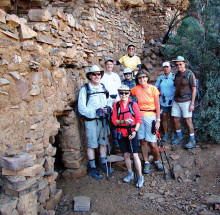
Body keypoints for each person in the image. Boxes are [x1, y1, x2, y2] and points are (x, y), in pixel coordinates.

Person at [78, 65, 113, 179]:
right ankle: (93, 168)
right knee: (92, 144)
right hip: (92, 121)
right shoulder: (85, 89)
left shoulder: (103, 87)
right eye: (94, 74)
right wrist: (94, 112)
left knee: (103, 143)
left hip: (103, 120)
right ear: (90, 76)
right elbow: (81, 108)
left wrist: (108, 107)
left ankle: (103, 164)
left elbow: (108, 100)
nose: (97, 76)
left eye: (98, 74)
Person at [130, 71, 163, 174]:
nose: (142, 80)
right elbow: (127, 93)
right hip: (139, 117)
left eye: (144, 78)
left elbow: (157, 106)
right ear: (138, 80)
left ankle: (157, 160)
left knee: (153, 143)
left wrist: (158, 120)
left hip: (151, 116)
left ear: (147, 78)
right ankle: (146, 162)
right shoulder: (136, 89)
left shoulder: (153, 89)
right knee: (143, 141)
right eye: (140, 78)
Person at [111, 85, 144, 187]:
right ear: (119, 94)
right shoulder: (116, 105)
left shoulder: (133, 104)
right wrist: (123, 121)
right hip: (122, 133)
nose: (123, 95)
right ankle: (130, 173)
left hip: (132, 132)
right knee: (125, 154)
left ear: (129, 94)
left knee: (135, 155)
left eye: (126, 93)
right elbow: (114, 121)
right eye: (121, 93)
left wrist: (134, 132)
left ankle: (140, 176)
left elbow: (139, 120)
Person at [171, 56, 197, 149]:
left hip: (186, 101)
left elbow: (194, 89)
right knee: (175, 119)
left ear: (184, 63)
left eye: (180, 64)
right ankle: (179, 137)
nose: (178, 66)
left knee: (188, 120)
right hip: (176, 100)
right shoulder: (176, 74)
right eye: (177, 64)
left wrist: (192, 103)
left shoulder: (190, 74)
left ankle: (192, 140)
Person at [100, 57, 121, 149]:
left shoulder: (116, 76)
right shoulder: (102, 76)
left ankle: (116, 141)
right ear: (105, 65)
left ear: (113, 65)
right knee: (107, 122)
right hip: (107, 101)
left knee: (116, 122)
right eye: (107, 64)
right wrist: (107, 100)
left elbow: (119, 88)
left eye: (111, 64)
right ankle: (108, 142)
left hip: (116, 100)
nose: (109, 66)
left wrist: (118, 99)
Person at [155, 62, 175, 142]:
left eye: (167, 67)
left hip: (173, 100)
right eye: (164, 67)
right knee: (164, 117)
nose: (165, 68)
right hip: (163, 100)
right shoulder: (161, 78)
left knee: (173, 117)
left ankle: (173, 133)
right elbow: (156, 87)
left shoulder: (174, 77)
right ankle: (166, 134)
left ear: (170, 68)